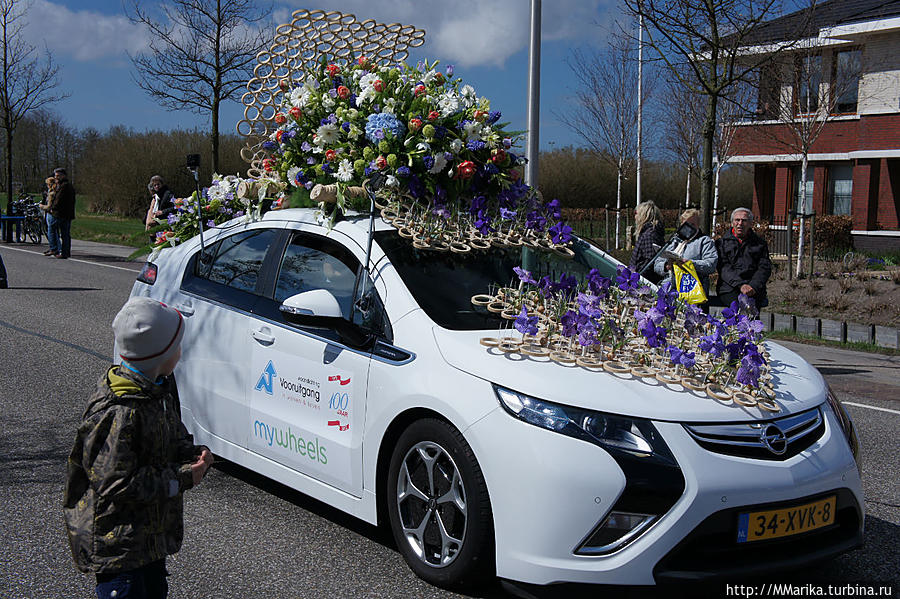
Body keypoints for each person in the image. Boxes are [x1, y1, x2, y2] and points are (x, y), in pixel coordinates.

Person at [63, 297, 213, 599]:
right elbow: (116, 482)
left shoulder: (156, 388)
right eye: (177, 347)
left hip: (147, 540)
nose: (180, 353)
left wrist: (188, 451)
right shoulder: (119, 410)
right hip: (121, 547)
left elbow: (167, 434)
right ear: (161, 354)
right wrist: (181, 478)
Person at [653, 208, 718, 310]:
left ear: (698, 225)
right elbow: (656, 264)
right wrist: (666, 266)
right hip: (669, 288)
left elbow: (711, 265)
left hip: (692, 292)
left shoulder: (705, 241)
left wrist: (690, 264)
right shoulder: (674, 240)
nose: (689, 228)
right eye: (686, 224)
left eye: (693, 224)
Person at [715, 207, 773, 309]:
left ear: (750, 223)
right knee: (738, 311)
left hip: (753, 289)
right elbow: (724, 268)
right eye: (737, 220)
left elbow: (764, 268)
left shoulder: (760, 244)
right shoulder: (722, 243)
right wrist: (741, 285)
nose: (740, 223)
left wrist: (753, 286)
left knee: (752, 316)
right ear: (732, 222)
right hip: (729, 289)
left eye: (744, 220)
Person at [629, 200, 665, 283]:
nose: (635, 217)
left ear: (643, 215)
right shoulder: (653, 233)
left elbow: (651, 262)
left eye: (636, 213)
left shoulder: (649, 235)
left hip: (644, 281)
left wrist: (636, 277)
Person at [49, 167, 76, 259]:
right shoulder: (68, 186)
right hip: (67, 214)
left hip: (60, 214)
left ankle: (54, 248)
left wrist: (52, 208)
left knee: (52, 229)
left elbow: (58, 200)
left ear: (63, 176)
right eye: (55, 176)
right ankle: (65, 252)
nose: (56, 177)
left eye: (58, 176)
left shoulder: (64, 186)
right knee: (65, 234)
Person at [39, 176, 58, 256]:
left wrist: (42, 206)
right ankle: (56, 248)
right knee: (55, 232)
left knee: (51, 231)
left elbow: (49, 206)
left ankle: (53, 248)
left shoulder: (51, 194)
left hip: (51, 214)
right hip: (55, 214)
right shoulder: (56, 191)